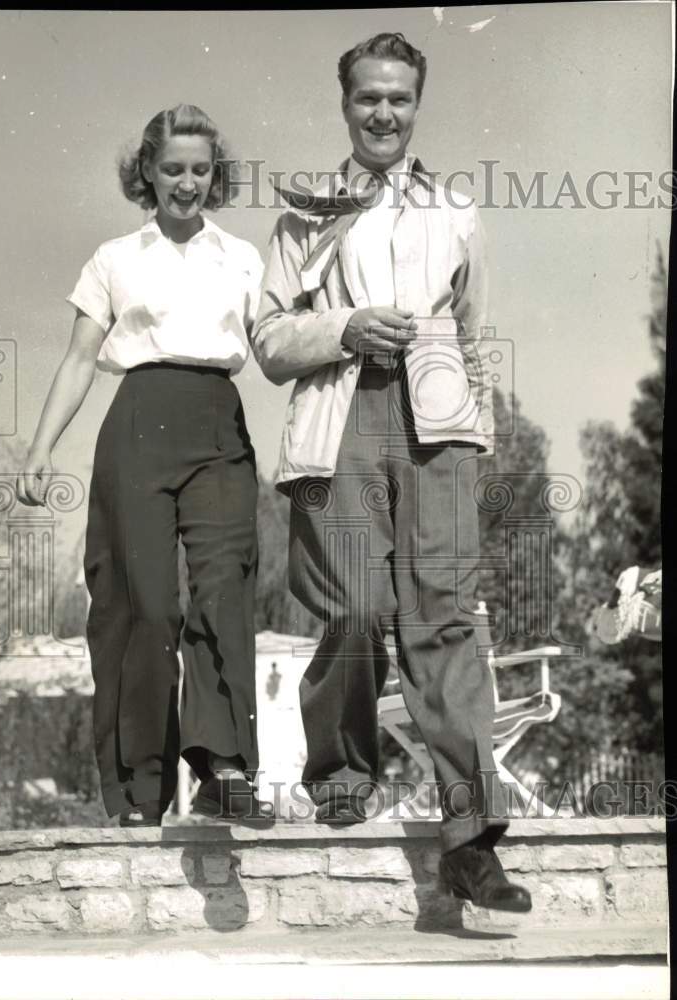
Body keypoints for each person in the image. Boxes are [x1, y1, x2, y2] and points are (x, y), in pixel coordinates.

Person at [253, 33, 530, 911]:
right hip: (340, 421)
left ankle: (471, 839)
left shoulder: (454, 208)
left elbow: (476, 332)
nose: (383, 113)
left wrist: (471, 429)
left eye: (399, 99)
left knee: (444, 618)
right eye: (368, 98)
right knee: (357, 607)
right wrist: (344, 329)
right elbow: (265, 340)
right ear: (345, 106)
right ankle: (340, 774)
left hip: (438, 429)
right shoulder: (303, 213)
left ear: (417, 106)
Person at [17, 103, 270, 826]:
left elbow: (277, 346)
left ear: (214, 175)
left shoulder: (244, 258)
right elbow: (75, 361)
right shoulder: (113, 259)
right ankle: (139, 789)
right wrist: (39, 450)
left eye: (200, 170)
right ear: (147, 173)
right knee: (145, 605)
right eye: (172, 170)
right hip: (138, 423)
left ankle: (223, 768)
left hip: (219, 425)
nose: (187, 184)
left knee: (225, 586)